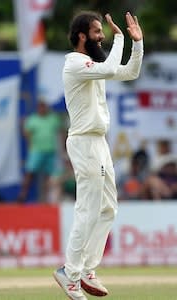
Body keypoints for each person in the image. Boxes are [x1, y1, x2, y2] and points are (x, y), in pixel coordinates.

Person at [52, 11, 143, 300]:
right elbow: (109, 68)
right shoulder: (76, 64)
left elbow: (130, 72)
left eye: (102, 32)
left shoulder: (94, 64)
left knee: (107, 209)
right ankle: (70, 271)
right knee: (88, 209)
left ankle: (87, 268)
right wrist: (119, 37)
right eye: (96, 32)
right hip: (84, 143)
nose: (101, 36)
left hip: (99, 143)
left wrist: (137, 44)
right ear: (82, 35)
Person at [17, 100, 62, 203]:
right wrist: (30, 145)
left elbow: (60, 131)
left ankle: (46, 199)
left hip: (50, 151)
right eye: (40, 107)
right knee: (29, 173)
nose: (42, 108)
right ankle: (22, 195)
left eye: (44, 106)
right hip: (36, 151)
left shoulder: (53, 118)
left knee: (49, 175)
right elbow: (26, 132)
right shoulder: (33, 119)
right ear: (37, 108)